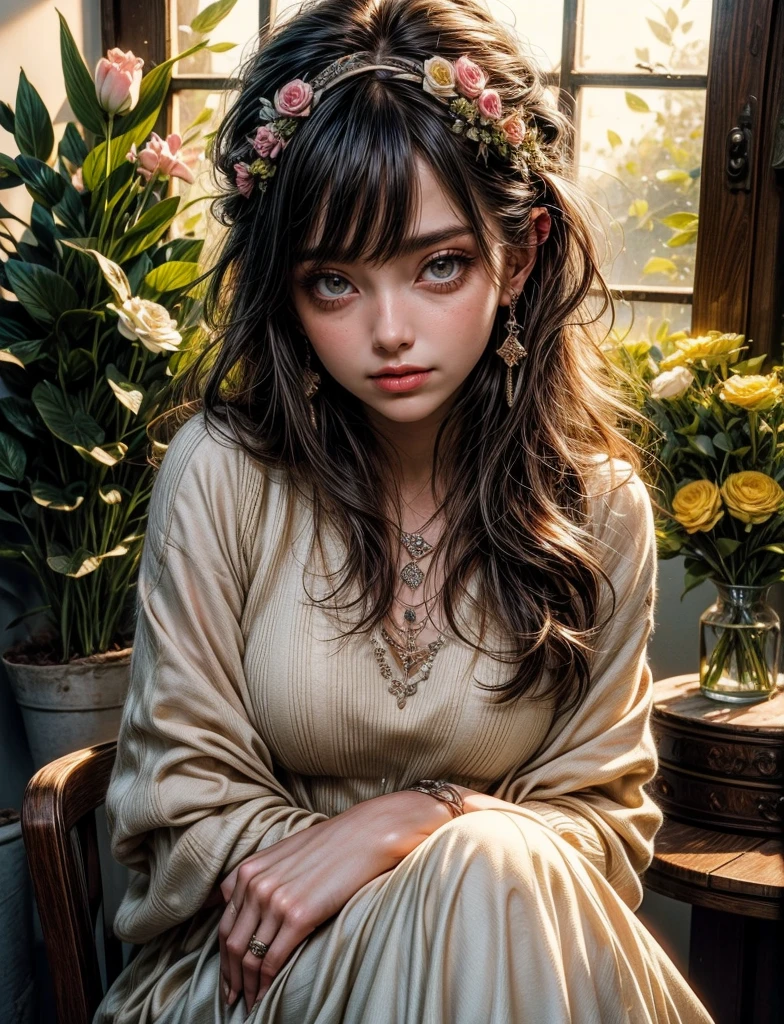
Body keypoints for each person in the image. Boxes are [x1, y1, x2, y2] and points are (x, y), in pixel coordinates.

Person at [93, 0, 716, 1021]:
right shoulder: (222, 474)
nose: (390, 331)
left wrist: (413, 823)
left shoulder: (598, 507)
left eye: (438, 266)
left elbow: (598, 831)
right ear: (284, 291)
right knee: (478, 875)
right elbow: (183, 810)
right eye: (334, 281)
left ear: (518, 258)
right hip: (256, 969)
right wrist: (427, 861)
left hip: (517, 950)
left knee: (485, 879)